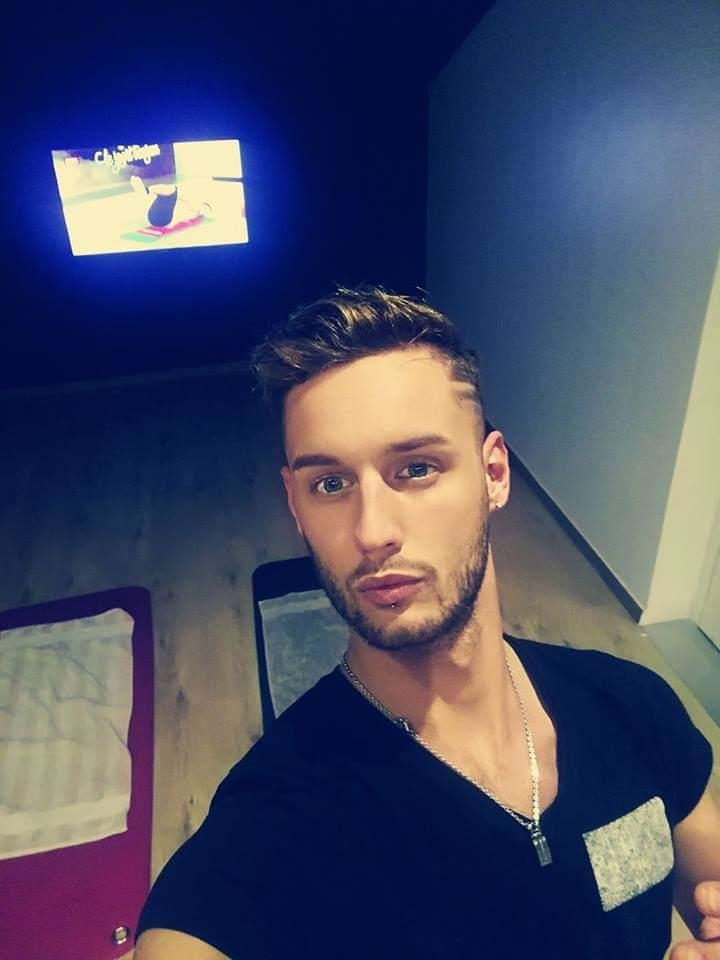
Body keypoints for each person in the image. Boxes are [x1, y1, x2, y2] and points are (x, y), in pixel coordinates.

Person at [134, 286, 720, 959]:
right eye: (331, 484)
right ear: (295, 504)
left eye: (415, 469)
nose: (372, 531)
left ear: (493, 474)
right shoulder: (280, 821)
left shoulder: (631, 705)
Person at [129, 174, 211, 229]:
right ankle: (146, 191)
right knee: (168, 193)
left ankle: (146, 191)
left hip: (163, 219)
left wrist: (199, 210)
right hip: (155, 217)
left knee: (172, 190)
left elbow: (184, 213)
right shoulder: (193, 208)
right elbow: (181, 200)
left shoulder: (194, 212)